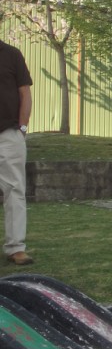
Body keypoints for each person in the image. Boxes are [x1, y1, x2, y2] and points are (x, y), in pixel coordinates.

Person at [0, 39, 33, 265]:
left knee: (14, 190)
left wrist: (22, 128)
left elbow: (25, 94)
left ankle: (16, 248)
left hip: (9, 133)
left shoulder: (12, 54)